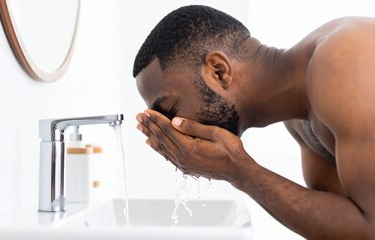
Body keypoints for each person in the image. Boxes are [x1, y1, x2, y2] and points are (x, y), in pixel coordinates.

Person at [133, 5, 375, 239]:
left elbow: (369, 230)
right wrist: (238, 171)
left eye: (171, 110)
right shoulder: (298, 118)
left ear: (218, 71)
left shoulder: (341, 63)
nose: (172, 130)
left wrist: (238, 170)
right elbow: (344, 229)